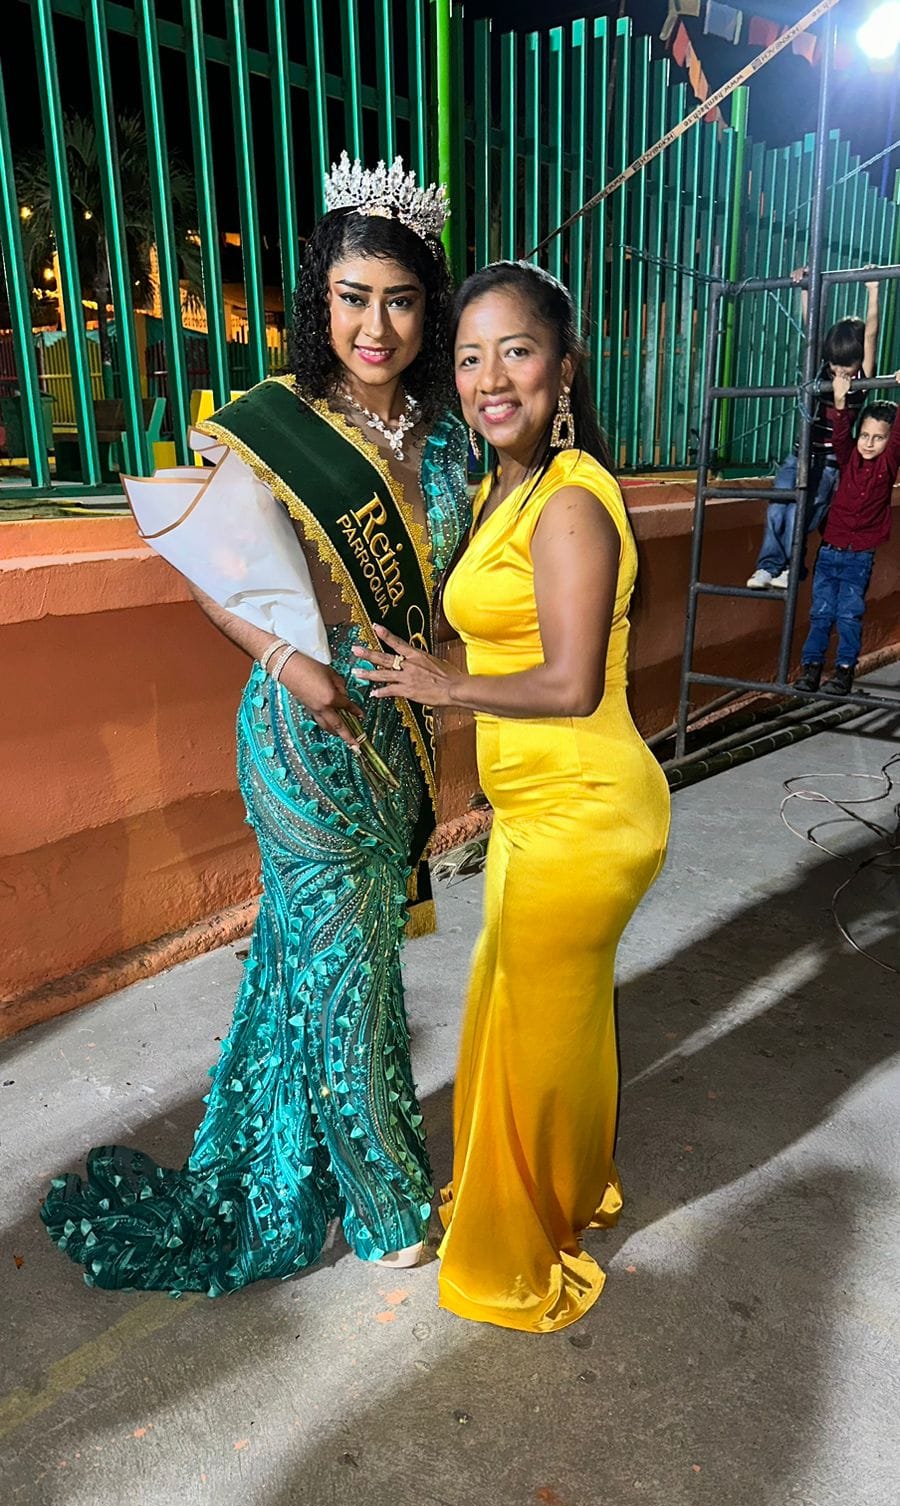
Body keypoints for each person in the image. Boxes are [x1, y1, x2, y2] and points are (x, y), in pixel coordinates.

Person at [40, 155, 470, 1294]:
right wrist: (293, 662)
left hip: (399, 736)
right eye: (354, 297)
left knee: (316, 959)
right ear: (319, 298)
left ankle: (279, 1147)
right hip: (299, 731)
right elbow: (209, 573)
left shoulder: (448, 440)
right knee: (350, 974)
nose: (376, 326)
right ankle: (385, 1203)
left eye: (401, 300)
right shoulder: (275, 425)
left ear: (429, 309)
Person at [353, 261, 671, 1333]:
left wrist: (446, 688)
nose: (490, 379)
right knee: (539, 1023)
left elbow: (570, 682)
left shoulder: (570, 498)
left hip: (586, 810)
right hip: (542, 813)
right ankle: (562, 1192)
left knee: (531, 1037)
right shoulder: (510, 487)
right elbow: (504, 634)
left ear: (564, 369)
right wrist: (429, 658)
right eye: (469, 358)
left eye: (517, 352)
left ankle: (517, 1251)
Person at [746, 269, 880, 590]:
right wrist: (805, 288)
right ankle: (767, 567)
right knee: (778, 507)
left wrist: (873, 290)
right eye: (834, 363)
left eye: (845, 365)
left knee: (801, 514)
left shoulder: (861, 379)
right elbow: (812, 327)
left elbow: (871, 334)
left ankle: (792, 567)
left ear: (858, 362)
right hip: (800, 454)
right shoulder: (824, 368)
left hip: (829, 462)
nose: (838, 370)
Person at [794, 371, 900, 697]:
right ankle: (811, 668)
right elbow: (840, 436)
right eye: (864, 435)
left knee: (849, 615)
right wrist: (840, 400)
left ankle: (843, 672)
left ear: (888, 442)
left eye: (878, 438)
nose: (868, 442)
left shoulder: (887, 465)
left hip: (859, 556)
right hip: (829, 551)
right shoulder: (849, 458)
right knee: (821, 612)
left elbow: (898, 437)